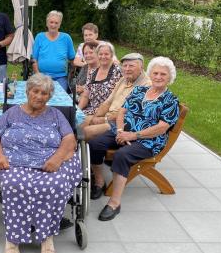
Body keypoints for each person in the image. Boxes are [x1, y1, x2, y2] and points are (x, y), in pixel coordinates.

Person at [0, 73, 81, 253]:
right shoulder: (12, 113)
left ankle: (47, 239)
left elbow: (70, 139)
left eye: (44, 93)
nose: (39, 96)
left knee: (55, 185)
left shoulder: (56, 114)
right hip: (13, 162)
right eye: (35, 91)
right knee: (13, 184)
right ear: (28, 92)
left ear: (49, 96)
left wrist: (57, 159)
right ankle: (13, 239)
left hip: (50, 163)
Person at [90, 57, 180, 221]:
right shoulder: (139, 91)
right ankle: (99, 181)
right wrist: (119, 130)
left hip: (149, 140)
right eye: (156, 73)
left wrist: (133, 135)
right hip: (123, 131)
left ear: (170, 77)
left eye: (163, 74)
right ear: (150, 74)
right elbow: (122, 112)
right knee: (94, 143)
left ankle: (114, 203)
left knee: (122, 155)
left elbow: (161, 127)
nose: (158, 77)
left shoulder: (170, 100)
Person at [80, 53, 150, 199]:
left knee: (85, 133)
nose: (127, 69)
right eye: (125, 65)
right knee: (78, 124)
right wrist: (96, 116)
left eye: (132, 65)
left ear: (141, 67)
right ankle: (88, 167)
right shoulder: (123, 80)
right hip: (109, 117)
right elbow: (107, 102)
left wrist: (103, 119)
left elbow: (129, 113)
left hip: (123, 124)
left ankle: (98, 178)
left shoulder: (146, 85)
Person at [31, 11, 76, 92]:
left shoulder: (66, 38)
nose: (53, 25)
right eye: (51, 22)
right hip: (41, 76)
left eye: (56, 23)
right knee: (40, 95)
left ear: (59, 24)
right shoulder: (39, 37)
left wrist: (73, 74)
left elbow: (72, 59)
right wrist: (38, 75)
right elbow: (34, 60)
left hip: (60, 77)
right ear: (47, 23)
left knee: (60, 97)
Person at [77, 41, 122, 115]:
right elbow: (85, 96)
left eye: (106, 54)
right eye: (100, 54)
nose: (103, 57)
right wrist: (78, 110)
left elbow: (119, 97)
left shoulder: (118, 71)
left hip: (108, 112)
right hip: (91, 109)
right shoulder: (93, 72)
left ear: (112, 55)